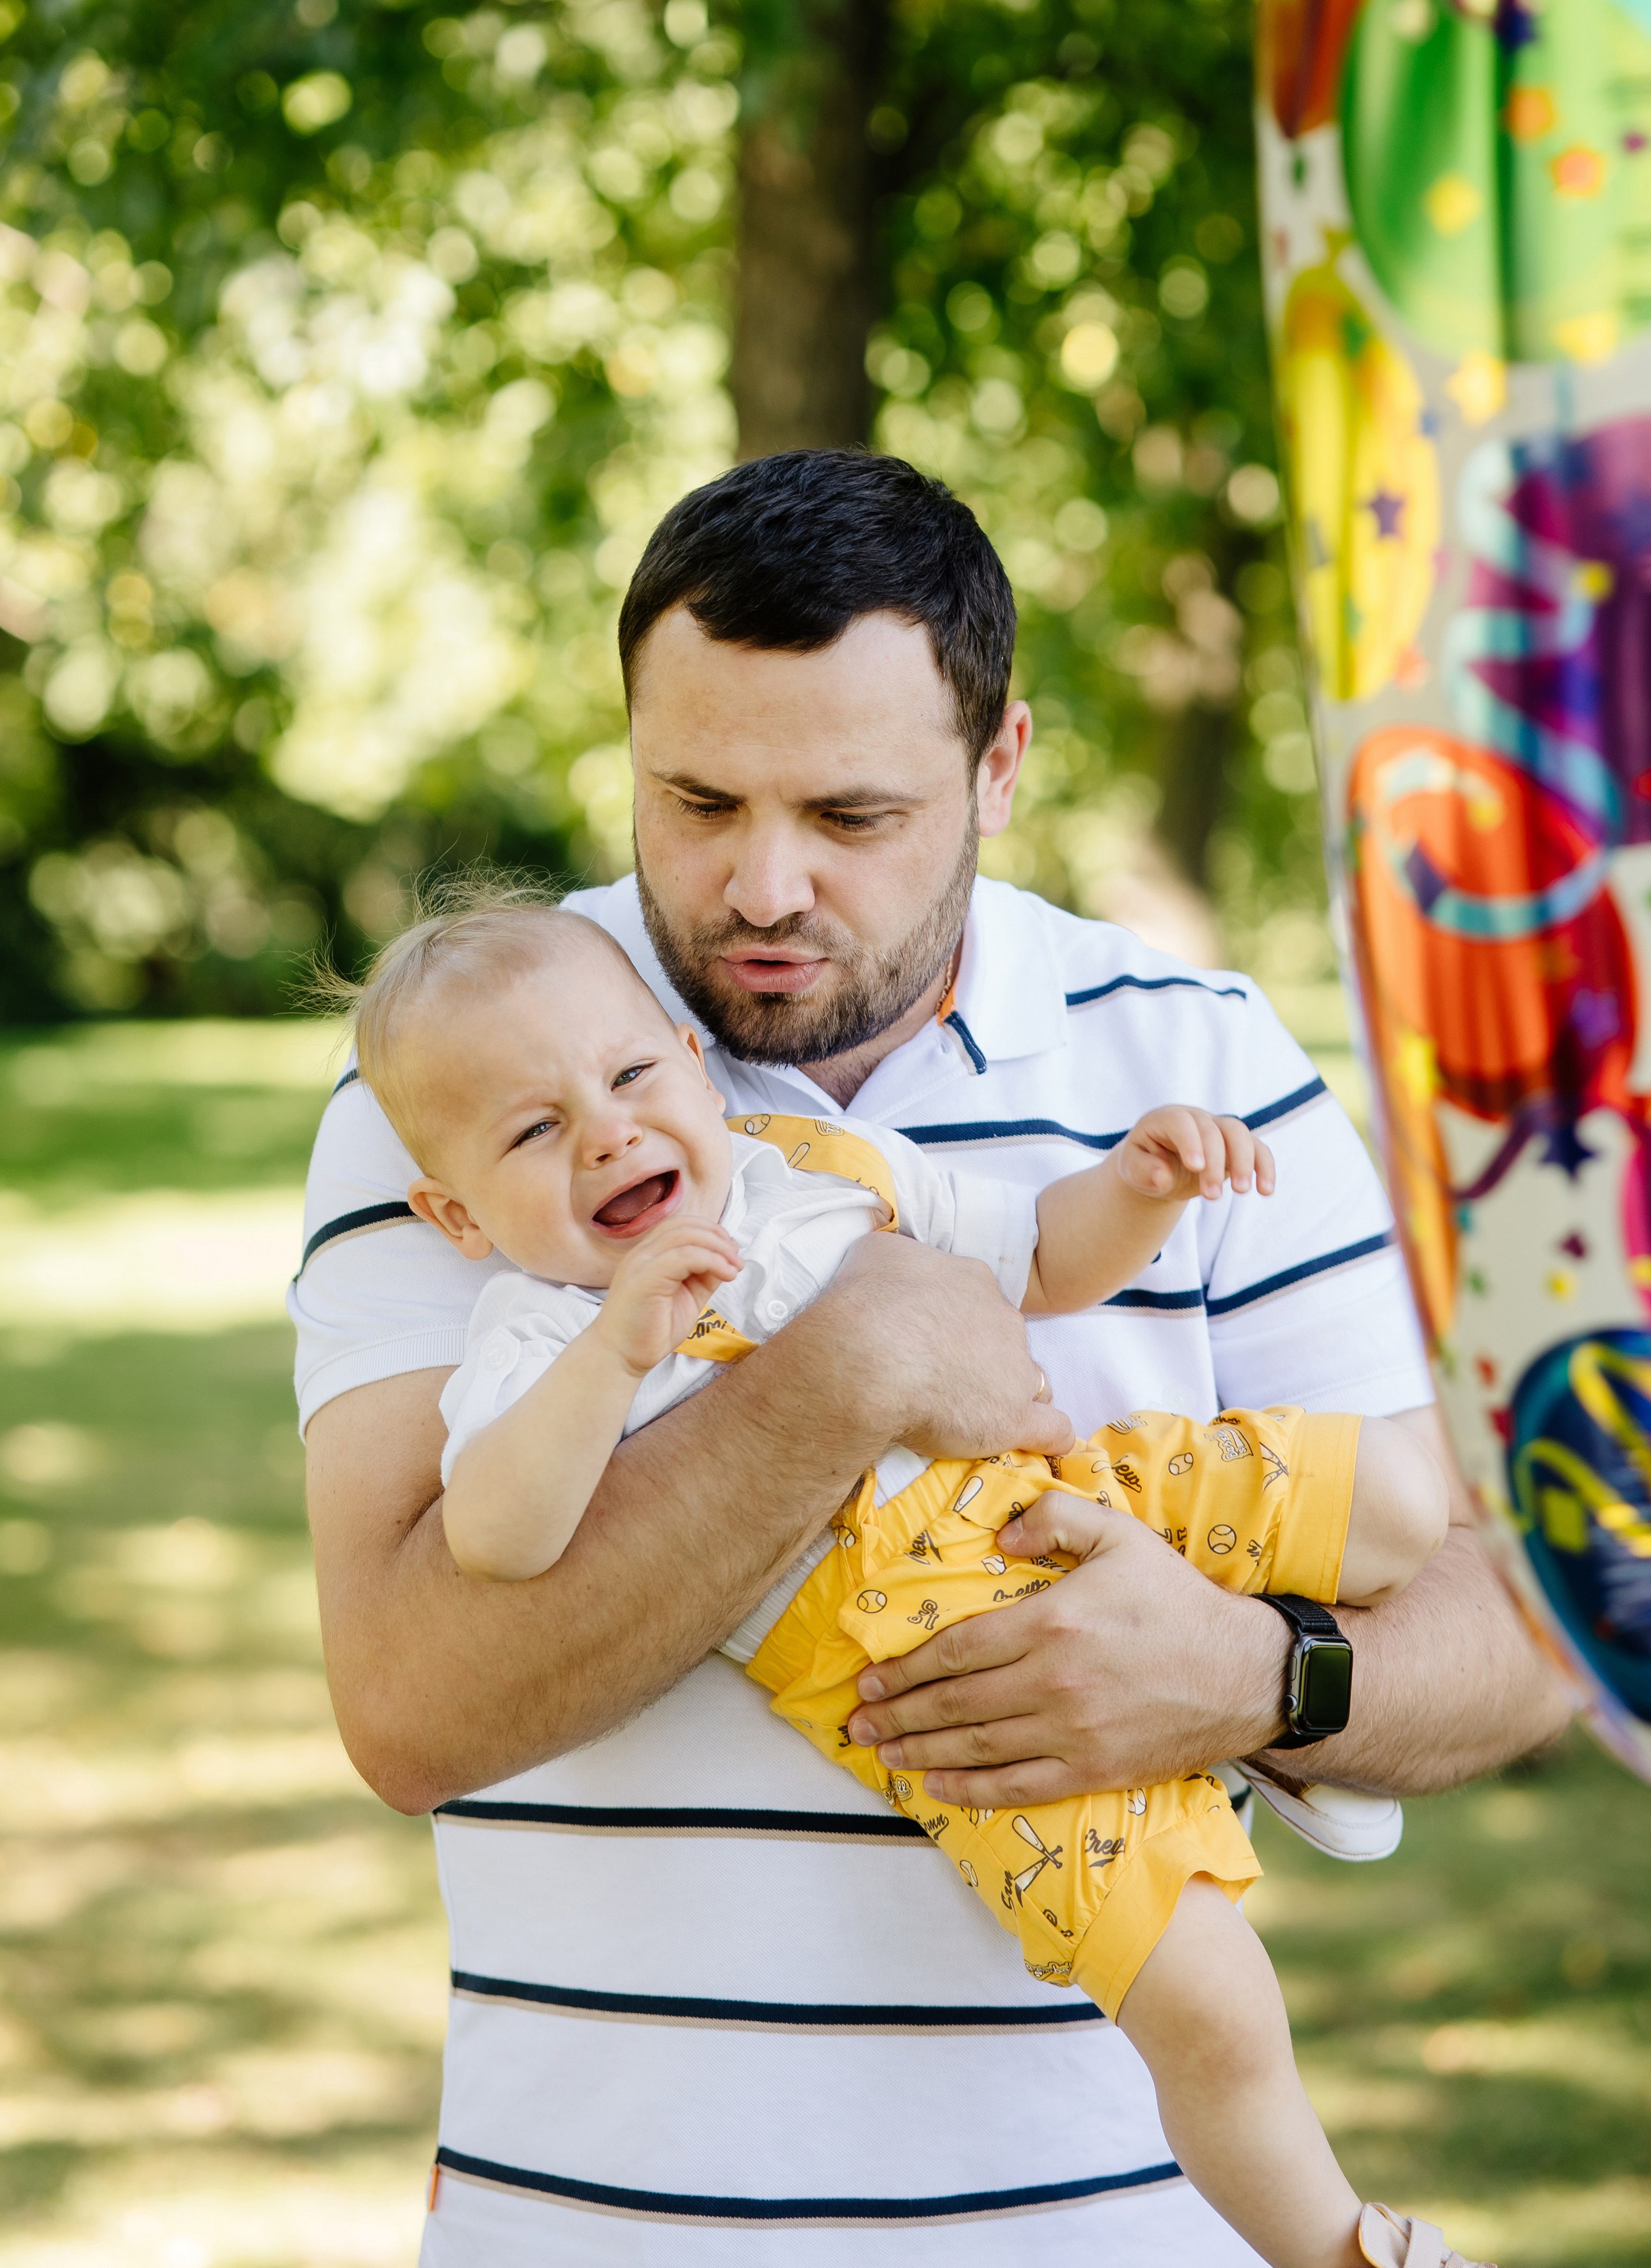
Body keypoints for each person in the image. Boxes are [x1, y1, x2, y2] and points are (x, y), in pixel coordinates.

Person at [293, 450, 1570, 2265]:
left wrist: (1251, 1675)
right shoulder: (467, 1087)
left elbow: (1529, 1624)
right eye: (697, 798)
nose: (762, 883)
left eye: (852, 814)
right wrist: (847, 1369)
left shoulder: (1203, 1062)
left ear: (1000, 766)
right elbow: (408, 1707)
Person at [336, 879, 1475, 2268]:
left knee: (1397, 1499)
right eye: (534, 1130)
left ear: (692, 1064)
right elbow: (499, 1537)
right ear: (456, 1217)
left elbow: (1039, 1257)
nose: (607, 1133)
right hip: (941, 1666)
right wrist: (615, 1352)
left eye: (630, 1077)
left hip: (1070, 1495)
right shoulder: (536, 1339)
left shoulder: (820, 1171)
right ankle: (1352, 2249)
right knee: (1214, 2004)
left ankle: (1268, 1705)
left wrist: (1135, 1187)